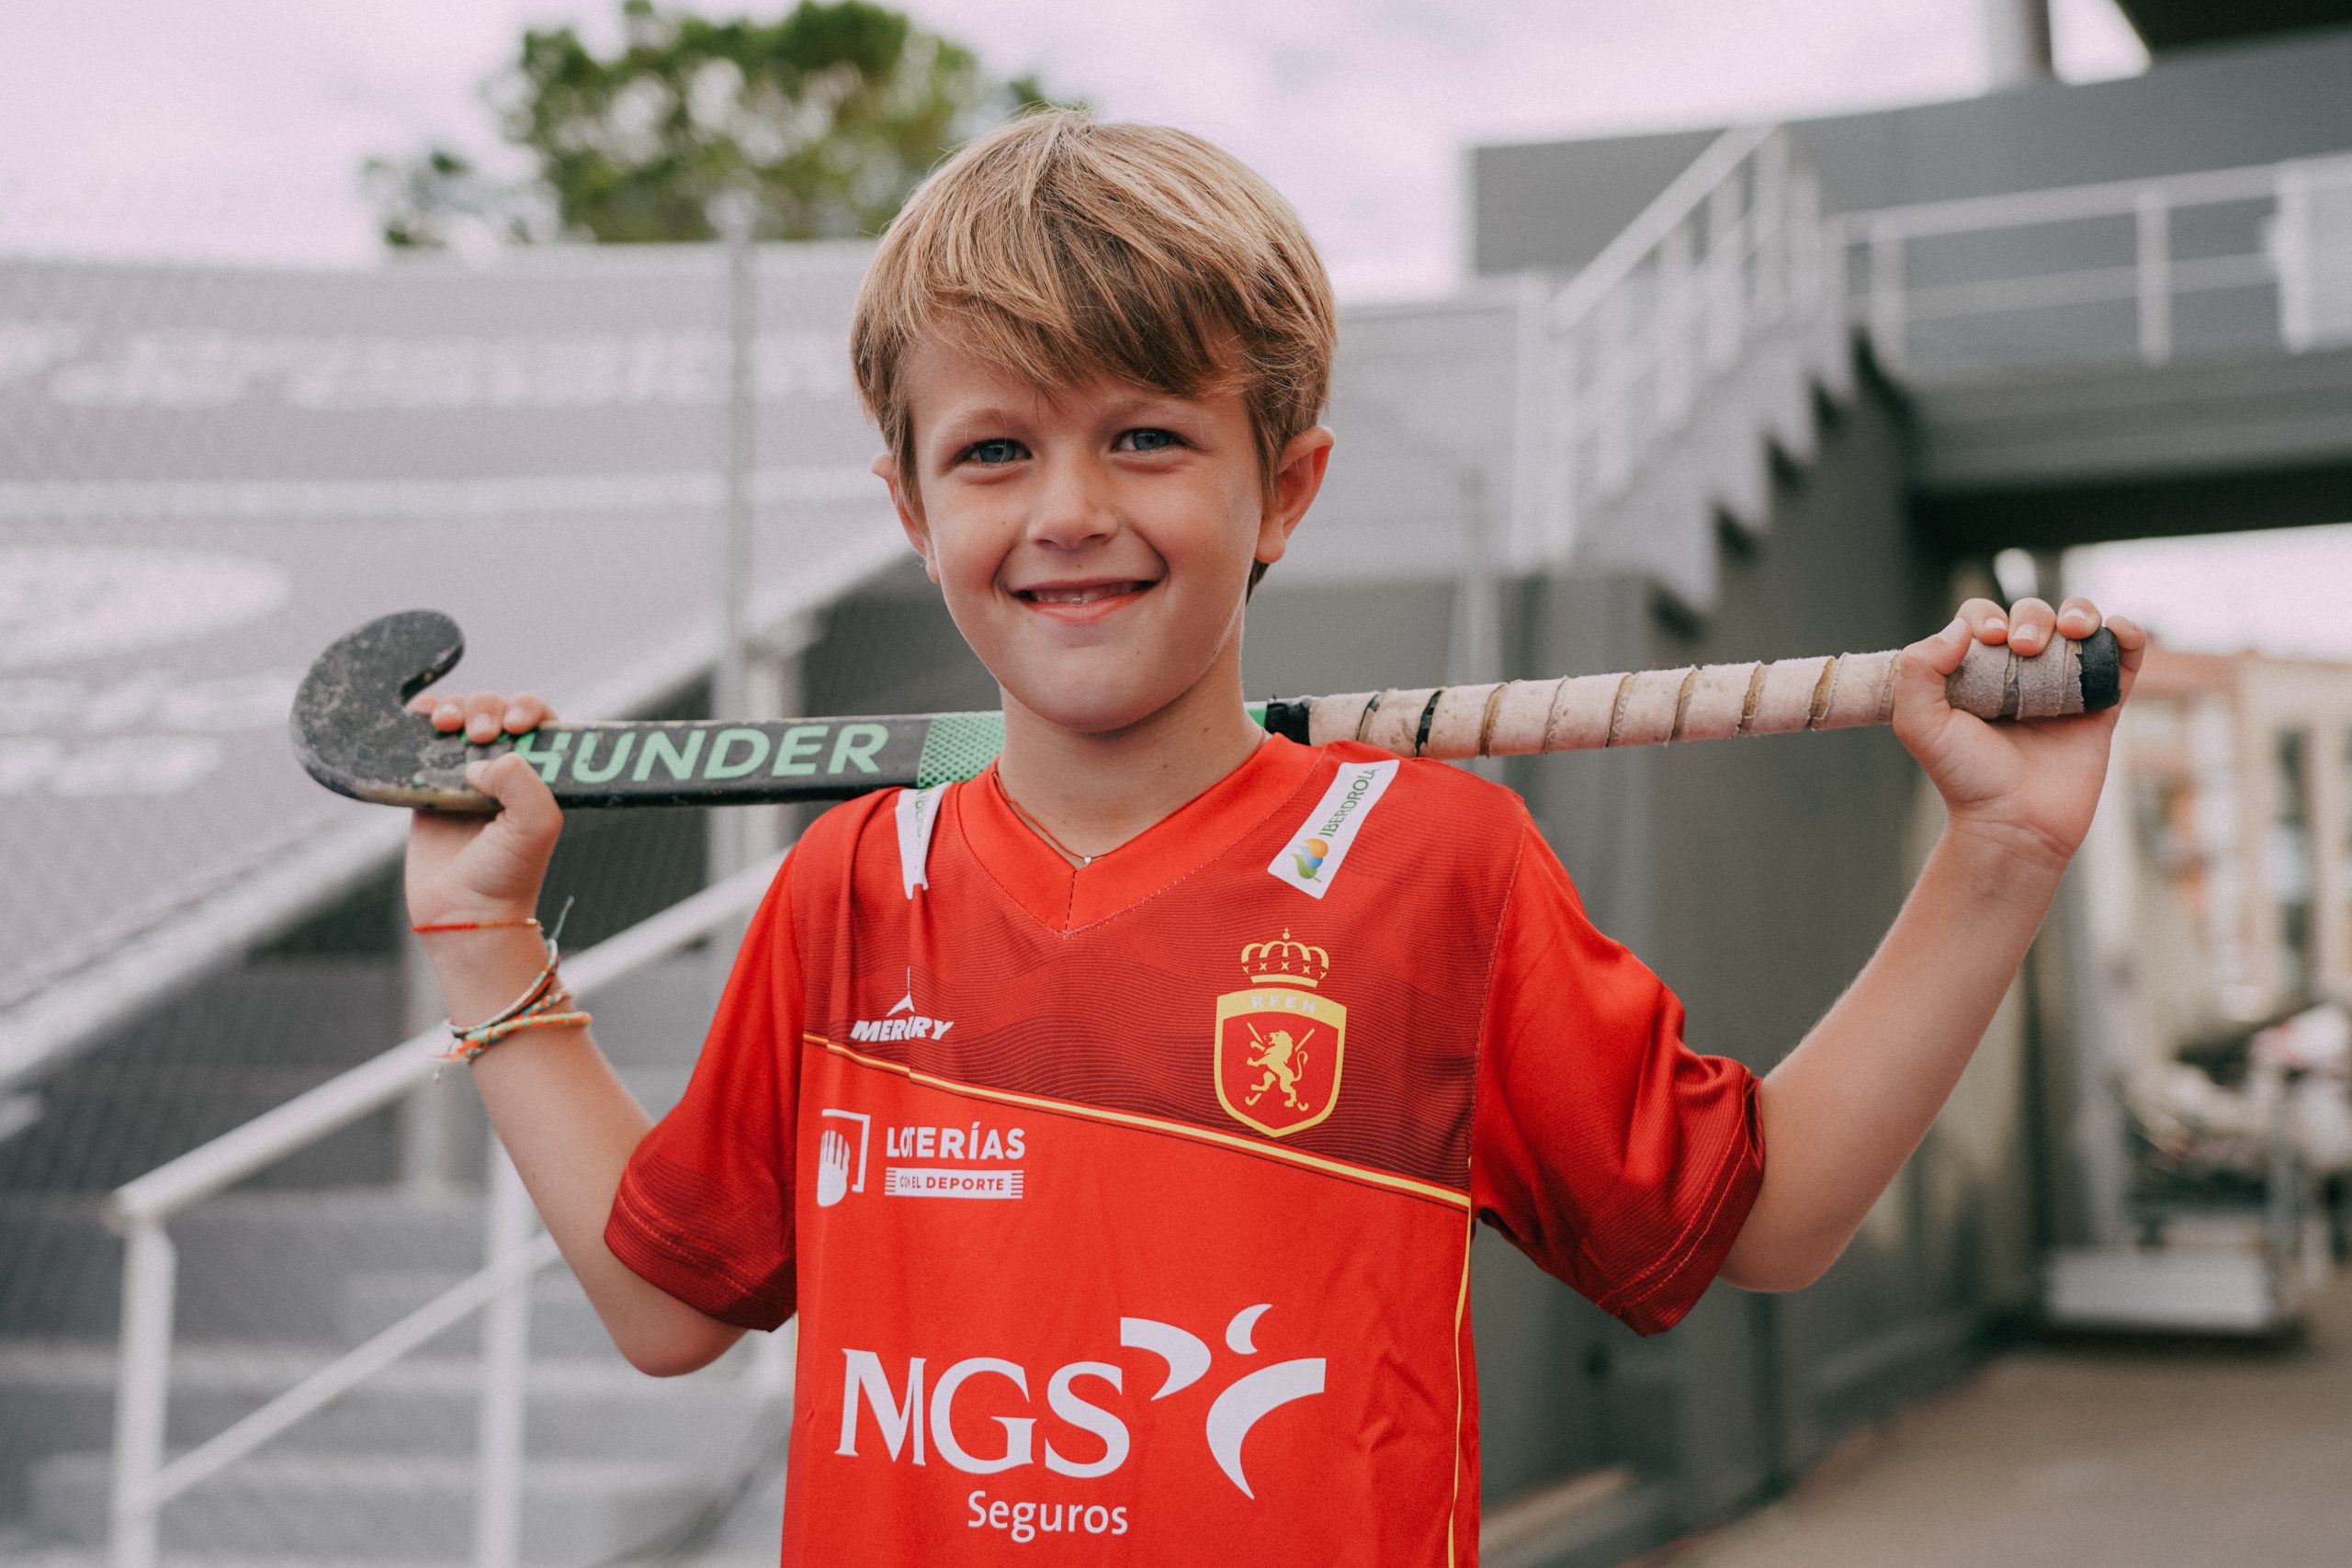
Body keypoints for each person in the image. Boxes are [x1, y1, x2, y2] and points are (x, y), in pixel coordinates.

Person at [403, 110, 2144, 1565]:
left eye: (1147, 438)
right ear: (912, 505)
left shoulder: (1434, 870)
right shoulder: (852, 888)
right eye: (996, 449)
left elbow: (1753, 1220)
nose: (1071, 512)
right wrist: (486, 938)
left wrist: (1999, 858)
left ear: (1284, 490)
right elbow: (667, 1308)